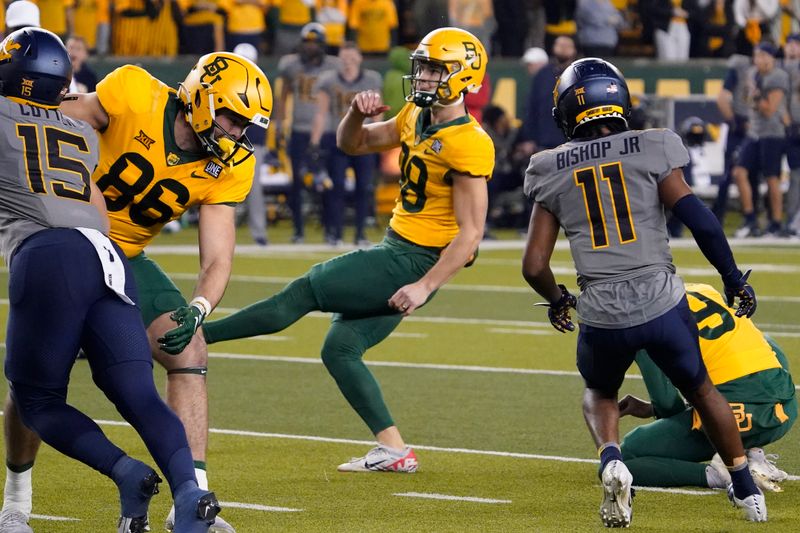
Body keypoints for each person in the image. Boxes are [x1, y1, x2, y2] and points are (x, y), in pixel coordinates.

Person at [0, 50, 272, 533]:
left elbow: (218, 257)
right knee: (33, 387)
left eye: (245, 125)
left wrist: (199, 306)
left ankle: (192, 498)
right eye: (233, 118)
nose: (237, 134)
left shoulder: (229, 167)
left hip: (122, 260)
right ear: (204, 99)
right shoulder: (134, 92)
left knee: (188, 346)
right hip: (66, 234)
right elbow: (42, 121)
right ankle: (17, 498)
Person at [200, 27, 493, 472]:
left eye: (436, 69)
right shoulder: (416, 113)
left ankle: (196, 340)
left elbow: (472, 234)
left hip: (413, 260)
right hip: (400, 249)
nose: (425, 77)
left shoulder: (469, 141)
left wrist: (423, 286)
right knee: (339, 348)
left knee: (304, 290)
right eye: (425, 67)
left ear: (463, 76)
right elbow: (352, 143)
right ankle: (395, 450)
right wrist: (356, 115)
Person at [522, 57, 765, 527]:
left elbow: (534, 266)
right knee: (700, 390)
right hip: (661, 303)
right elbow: (701, 222)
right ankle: (745, 487)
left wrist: (558, 301)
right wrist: (734, 278)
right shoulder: (653, 146)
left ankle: (612, 459)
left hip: (602, 312)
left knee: (599, 390)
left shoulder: (548, 167)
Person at [618, 283, 796, 490]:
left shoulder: (640, 319)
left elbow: (668, 405)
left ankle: (719, 475)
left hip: (737, 419)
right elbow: (769, 346)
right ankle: (754, 451)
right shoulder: (701, 289)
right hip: (786, 408)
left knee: (626, 455)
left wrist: (658, 409)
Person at [309, 40, 382, 246]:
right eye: (344, 59)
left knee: (364, 188)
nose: (348, 63)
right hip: (336, 138)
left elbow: (377, 115)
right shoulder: (329, 80)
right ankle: (336, 233)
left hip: (363, 138)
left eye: (352, 58)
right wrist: (315, 142)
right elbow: (321, 113)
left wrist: (381, 140)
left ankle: (360, 233)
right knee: (336, 187)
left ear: (359, 58)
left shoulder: (371, 79)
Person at [275, 22, 339, 243]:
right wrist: (278, 124)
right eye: (307, 42)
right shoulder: (290, 65)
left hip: (327, 132)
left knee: (327, 182)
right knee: (297, 184)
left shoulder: (334, 66)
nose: (311, 47)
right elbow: (282, 97)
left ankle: (330, 230)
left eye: (315, 43)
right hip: (299, 130)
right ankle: (298, 230)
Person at [731, 41, 789, 237]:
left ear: (772, 58)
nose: (760, 60)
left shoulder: (778, 76)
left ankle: (776, 222)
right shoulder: (752, 74)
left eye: (764, 56)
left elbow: (769, 109)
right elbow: (746, 101)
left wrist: (755, 93)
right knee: (739, 172)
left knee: (772, 177)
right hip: (754, 132)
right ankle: (750, 219)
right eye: (757, 55)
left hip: (772, 132)